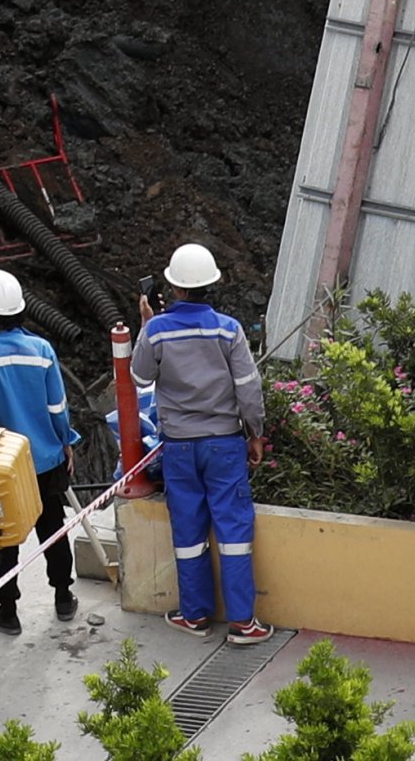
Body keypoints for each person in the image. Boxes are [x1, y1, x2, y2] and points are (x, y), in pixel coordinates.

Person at [134, 243, 270, 644]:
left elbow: (140, 377)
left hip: (178, 448)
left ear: (174, 287)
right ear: (211, 285)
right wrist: (255, 433)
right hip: (225, 446)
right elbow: (249, 387)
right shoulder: (228, 329)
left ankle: (194, 616)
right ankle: (243, 623)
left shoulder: (156, 330)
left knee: (189, 532)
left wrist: (146, 324)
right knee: (233, 532)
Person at [0, 269, 80, 632]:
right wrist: (65, 441)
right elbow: (57, 407)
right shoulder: (41, 350)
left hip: (0, 465)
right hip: (44, 458)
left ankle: (7, 611)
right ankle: (63, 595)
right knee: (52, 526)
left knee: (1, 535)